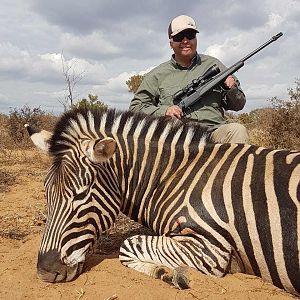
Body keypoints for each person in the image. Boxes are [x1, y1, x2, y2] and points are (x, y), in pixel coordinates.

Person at [129, 15, 249, 144]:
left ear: (196, 39)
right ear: (171, 43)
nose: (185, 41)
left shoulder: (215, 66)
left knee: (238, 130)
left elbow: (238, 105)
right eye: (179, 37)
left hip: (214, 133)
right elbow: (136, 107)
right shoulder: (157, 74)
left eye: (190, 35)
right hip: (178, 139)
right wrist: (165, 111)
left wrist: (231, 89)